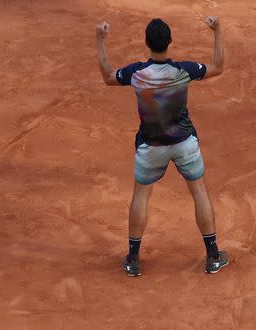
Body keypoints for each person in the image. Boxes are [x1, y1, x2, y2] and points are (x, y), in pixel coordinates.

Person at [95, 17, 229, 277]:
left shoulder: (136, 73)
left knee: (141, 195)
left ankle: (133, 259)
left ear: (147, 43)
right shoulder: (183, 70)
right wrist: (217, 31)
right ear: (170, 42)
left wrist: (100, 41)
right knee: (199, 191)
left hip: (150, 147)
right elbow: (218, 66)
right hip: (184, 144)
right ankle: (213, 256)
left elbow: (108, 76)